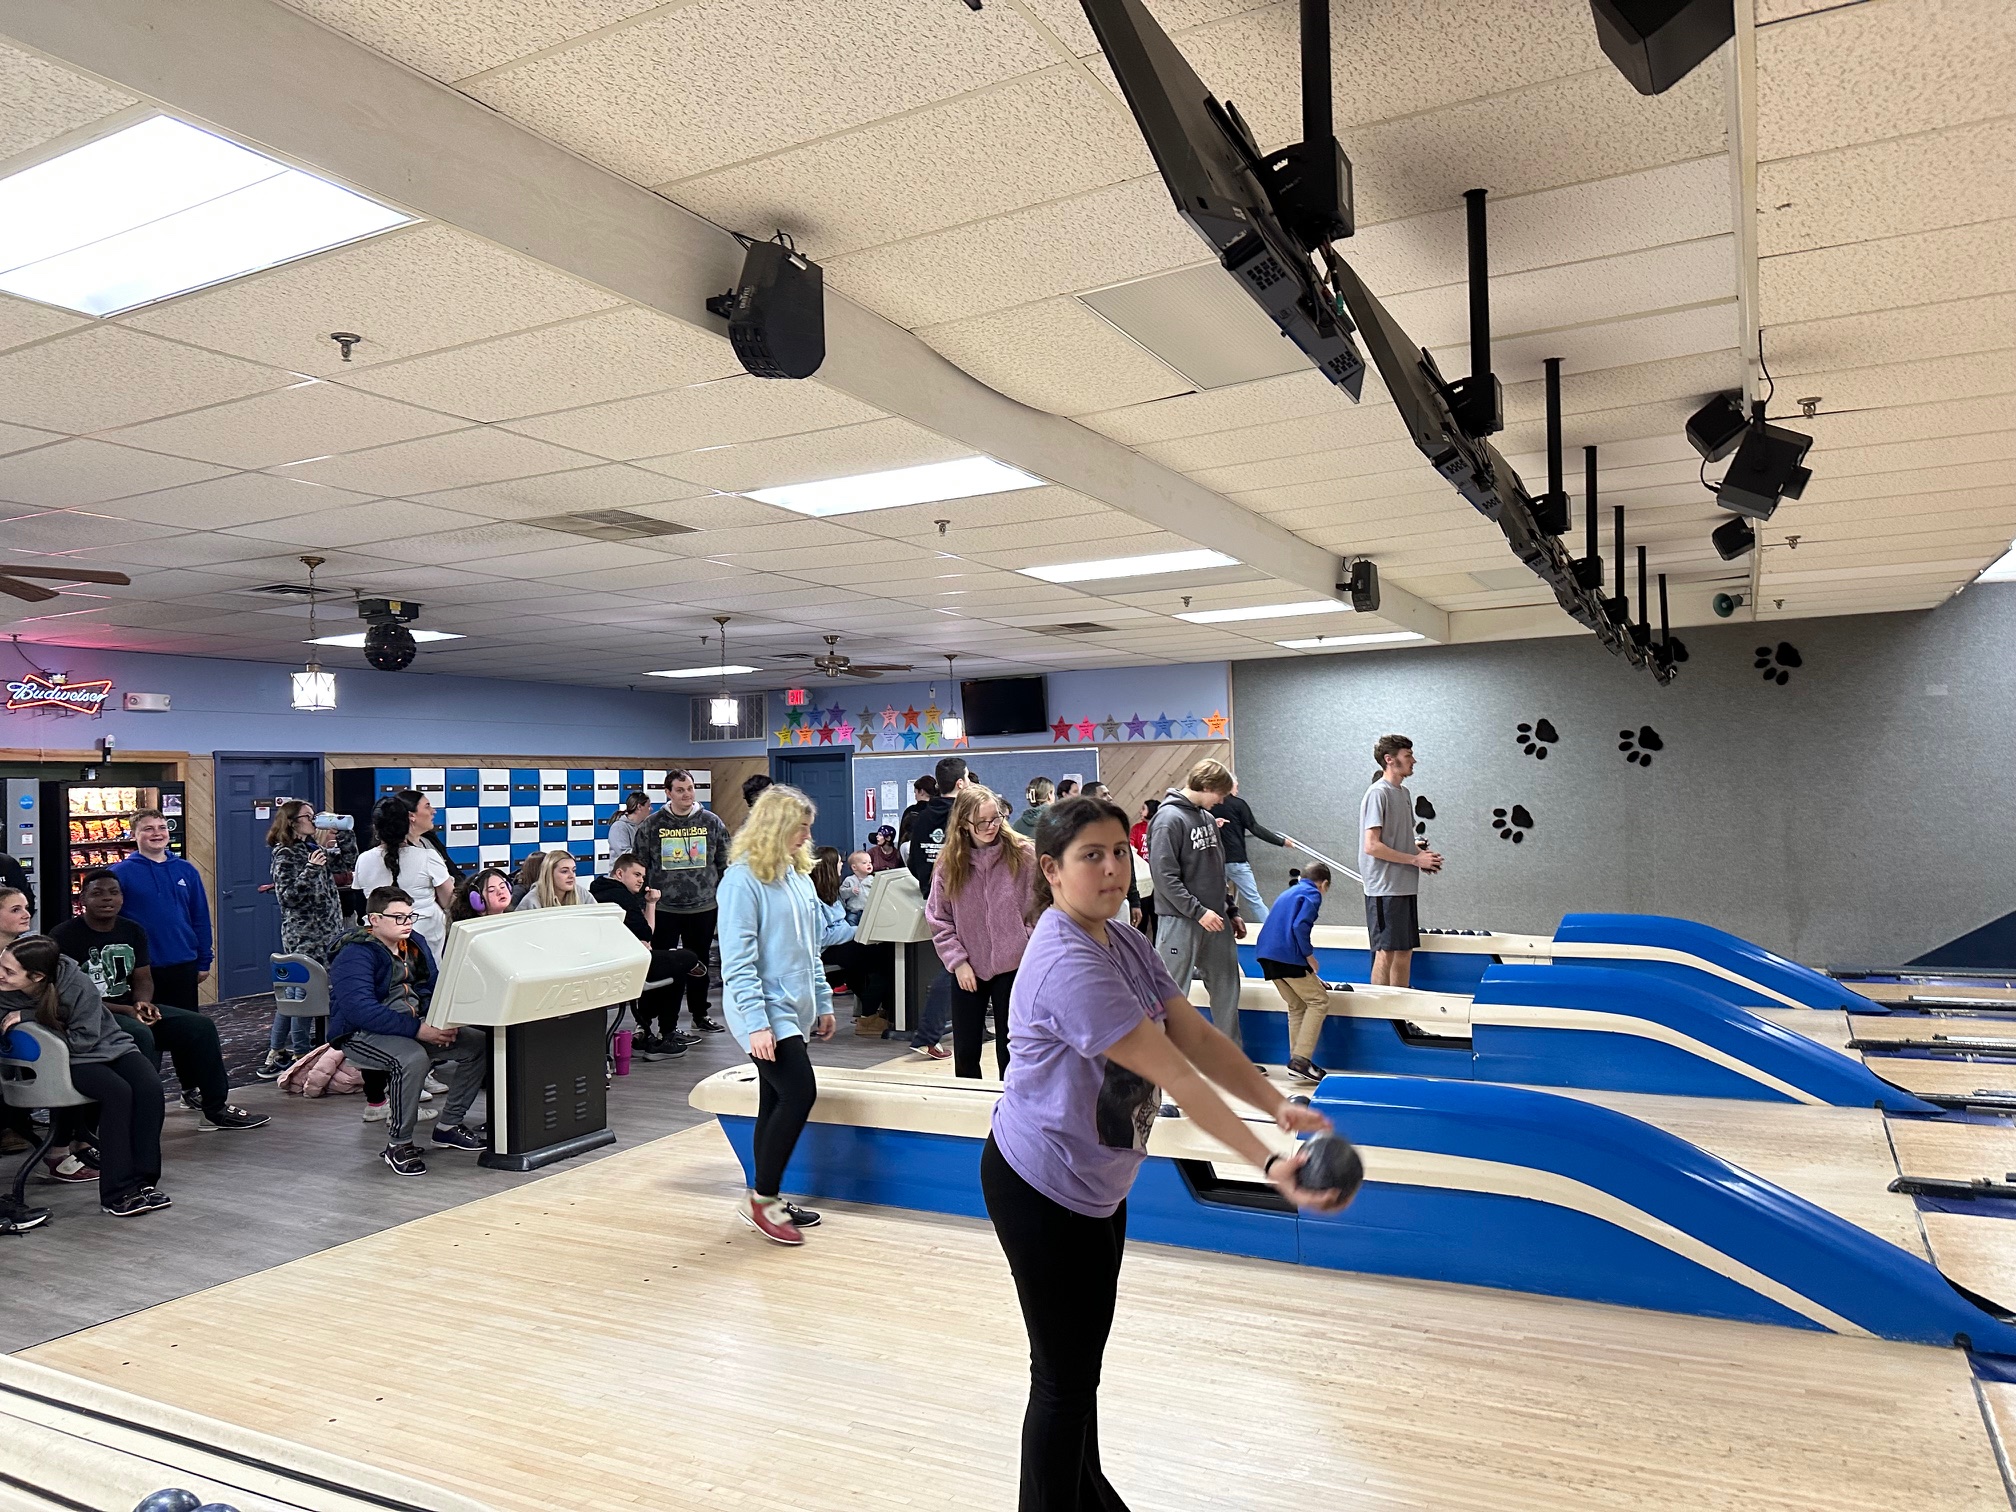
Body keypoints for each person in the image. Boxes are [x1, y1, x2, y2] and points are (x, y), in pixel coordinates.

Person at [984, 796, 1348, 1507]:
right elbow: (1177, 1075)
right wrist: (1270, 1163)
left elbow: (1198, 1036)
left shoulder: (1122, 941)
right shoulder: (1066, 962)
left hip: (1097, 1186)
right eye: (1092, 856)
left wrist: (1274, 1103)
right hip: (1040, 1187)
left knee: (1078, 1371)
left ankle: (1087, 1496)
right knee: (1061, 1378)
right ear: (1052, 870)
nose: (1113, 869)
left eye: (1121, 852)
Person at [48, 873, 266, 1130]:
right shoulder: (64, 935)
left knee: (201, 1027)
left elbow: (143, 978)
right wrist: (127, 1011)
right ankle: (139, 1115)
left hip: (129, 1008)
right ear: (82, 898)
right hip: (89, 1015)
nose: (107, 898)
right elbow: (67, 995)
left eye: (114, 892)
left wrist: (143, 1003)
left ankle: (214, 1109)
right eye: (97, 893)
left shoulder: (132, 930)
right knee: (141, 1033)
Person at [716, 786, 837, 1246]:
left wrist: (823, 1001)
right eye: (799, 827)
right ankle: (763, 1201)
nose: (806, 836)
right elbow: (738, 962)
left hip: (796, 1006)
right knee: (800, 1093)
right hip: (763, 1009)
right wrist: (757, 1023)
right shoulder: (741, 881)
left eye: (808, 828)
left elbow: (811, 950)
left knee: (774, 1099)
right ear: (775, 826)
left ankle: (765, 1196)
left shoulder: (798, 875)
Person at [0, 934, 174, 1217]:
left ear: (37, 977)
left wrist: (31, 1016)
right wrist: (41, 1020)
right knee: (117, 1093)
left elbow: (85, 1038)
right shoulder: (3, 990)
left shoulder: (75, 982)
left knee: (149, 1088)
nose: (1, 974)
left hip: (105, 1045)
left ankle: (143, 1182)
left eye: (8, 971)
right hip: (63, 1059)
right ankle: (117, 1193)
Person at [329, 885, 487, 1176]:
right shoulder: (355, 953)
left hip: (409, 1026)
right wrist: (419, 1030)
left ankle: (449, 1126)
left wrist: (442, 1021)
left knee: (477, 1044)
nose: (407, 923)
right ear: (374, 920)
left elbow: (432, 985)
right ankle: (398, 1144)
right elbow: (359, 1010)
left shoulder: (414, 943)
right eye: (399, 917)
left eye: (410, 916)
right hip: (359, 1033)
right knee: (412, 1058)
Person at [926, 786, 1035, 1079]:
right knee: (966, 1050)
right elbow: (938, 917)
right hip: (967, 965)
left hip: (1015, 964)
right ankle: (968, 1102)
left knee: (1012, 1049)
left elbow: (1041, 906)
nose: (991, 826)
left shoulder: (1024, 854)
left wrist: (1025, 942)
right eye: (982, 822)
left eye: (995, 818)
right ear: (964, 823)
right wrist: (958, 961)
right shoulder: (949, 862)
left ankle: (1013, 1103)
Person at [1148, 759, 1246, 1051]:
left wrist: (1231, 910)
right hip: (1180, 919)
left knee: (1227, 989)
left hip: (1216, 919)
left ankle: (1231, 1060)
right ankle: (1166, 1067)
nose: (1222, 800)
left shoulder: (1207, 819)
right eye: (1220, 794)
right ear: (1205, 786)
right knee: (1172, 996)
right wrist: (1198, 911)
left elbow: (1217, 871)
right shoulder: (1168, 820)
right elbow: (1164, 877)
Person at [632, 770, 731, 1039]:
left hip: (703, 906)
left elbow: (725, 862)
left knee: (699, 964)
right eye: (680, 790)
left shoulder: (711, 822)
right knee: (658, 965)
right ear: (668, 793)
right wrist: (643, 903)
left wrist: (726, 899)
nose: (687, 794)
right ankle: (645, 1021)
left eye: (690, 788)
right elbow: (639, 864)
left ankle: (700, 1015)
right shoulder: (652, 825)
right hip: (664, 908)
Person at [263, 799, 358, 1077]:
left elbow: (346, 863)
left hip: (327, 933)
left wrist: (345, 833)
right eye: (308, 816)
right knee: (300, 994)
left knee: (308, 993)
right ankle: (297, 1053)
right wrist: (312, 869)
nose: (314, 820)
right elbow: (289, 897)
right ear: (293, 822)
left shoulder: (312, 847)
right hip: (304, 935)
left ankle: (281, 1050)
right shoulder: (285, 854)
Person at [590, 854, 706, 1061]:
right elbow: (646, 933)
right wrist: (651, 904)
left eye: (643, 876)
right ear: (619, 873)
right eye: (636, 875)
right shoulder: (621, 896)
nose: (641, 881)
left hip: (612, 962)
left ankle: (645, 1030)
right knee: (685, 959)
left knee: (671, 970)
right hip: (626, 965)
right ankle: (665, 1034)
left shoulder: (595, 890)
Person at [1360, 735, 1442, 988]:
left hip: (1404, 885)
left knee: (1405, 951)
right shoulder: (1378, 793)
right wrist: (1415, 859)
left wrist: (1421, 855)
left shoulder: (1404, 793)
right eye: (1408, 756)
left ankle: (1402, 1007)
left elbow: (1398, 839)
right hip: (1384, 888)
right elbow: (1372, 846)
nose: (1413, 760)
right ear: (1389, 759)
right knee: (1385, 952)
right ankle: (1381, 1010)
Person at [110, 810, 211, 1013]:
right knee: (148, 1023)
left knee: (186, 1024)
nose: (157, 833)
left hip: (183, 962)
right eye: (148, 829)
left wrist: (204, 960)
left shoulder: (186, 870)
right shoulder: (119, 873)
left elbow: (200, 917)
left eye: (162, 828)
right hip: (141, 967)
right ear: (133, 834)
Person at [904, 756, 970, 1061]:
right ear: (961, 783)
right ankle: (927, 1035)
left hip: (933, 894)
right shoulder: (964, 817)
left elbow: (914, 858)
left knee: (962, 962)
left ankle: (969, 1026)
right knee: (956, 963)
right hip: (961, 897)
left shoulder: (922, 816)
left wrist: (929, 886)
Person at [1253, 861, 1334, 1081]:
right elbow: (1299, 926)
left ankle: (1296, 1064)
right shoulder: (1312, 894)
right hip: (1287, 955)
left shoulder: (1289, 892)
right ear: (1324, 884)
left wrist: (1309, 975)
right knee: (1319, 1001)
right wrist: (1309, 957)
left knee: (1297, 1005)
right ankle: (1301, 1061)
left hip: (1266, 955)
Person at [352, 793, 455, 960]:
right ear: (407, 823)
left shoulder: (363, 859)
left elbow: (363, 898)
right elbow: (448, 900)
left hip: (379, 934)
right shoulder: (427, 857)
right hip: (425, 932)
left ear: (376, 828)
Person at [1214, 779, 1294, 927]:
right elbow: (1254, 828)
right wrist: (1282, 841)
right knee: (1254, 899)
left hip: (1215, 862)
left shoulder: (1209, 806)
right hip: (1237, 860)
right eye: (1236, 786)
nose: (1237, 789)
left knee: (1215, 899)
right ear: (1229, 786)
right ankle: (1272, 930)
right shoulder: (1239, 804)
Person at [513, 849, 594, 909]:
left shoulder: (582, 893)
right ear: (549, 874)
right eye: (564, 871)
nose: (572, 876)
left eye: (573, 870)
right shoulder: (532, 900)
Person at [896, 775, 939, 856]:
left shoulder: (911, 812)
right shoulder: (939, 810)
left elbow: (903, 838)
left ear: (922, 791)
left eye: (915, 792)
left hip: (913, 855)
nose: (915, 796)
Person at [607, 790, 651, 859]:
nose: (651, 809)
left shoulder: (645, 826)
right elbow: (625, 855)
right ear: (639, 807)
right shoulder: (618, 827)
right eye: (648, 806)